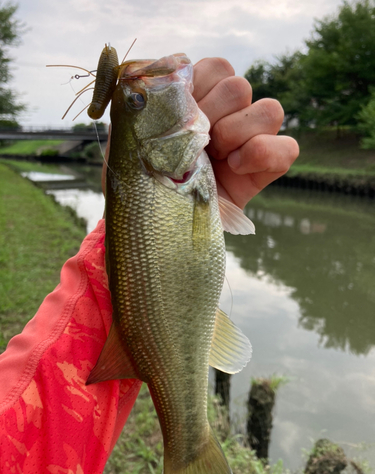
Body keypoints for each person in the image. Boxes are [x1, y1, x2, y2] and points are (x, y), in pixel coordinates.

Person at [0, 57, 299, 474]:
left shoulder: (175, 170)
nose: (143, 89)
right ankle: (192, 448)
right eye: (139, 101)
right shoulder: (174, 171)